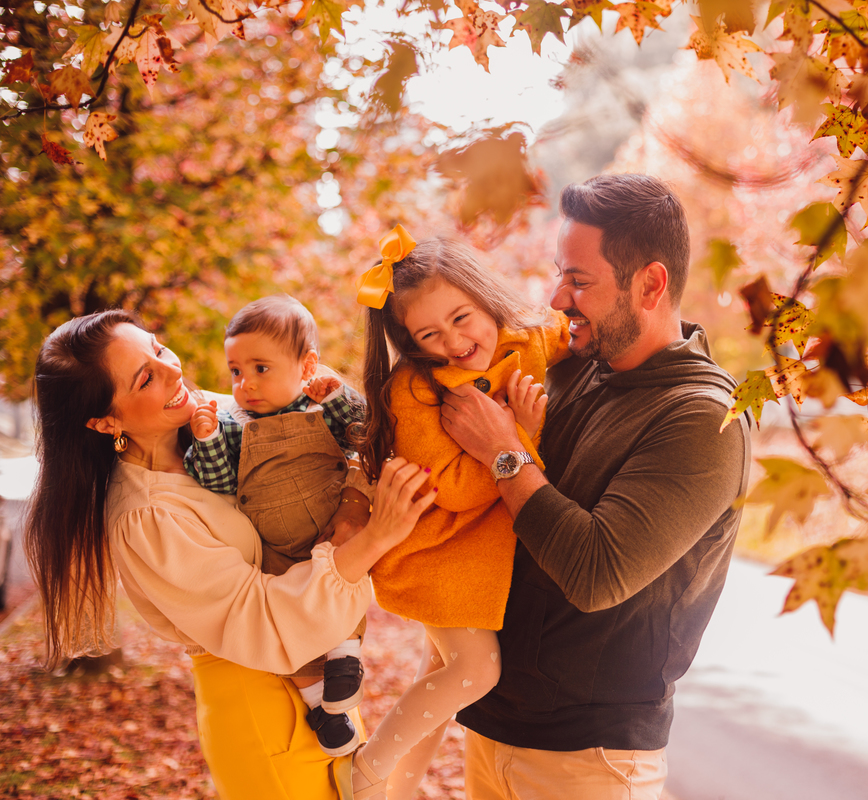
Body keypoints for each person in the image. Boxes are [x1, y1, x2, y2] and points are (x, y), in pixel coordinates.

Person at [24, 309, 437, 800]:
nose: (173, 369)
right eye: (145, 378)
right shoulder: (147, 517)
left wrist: (351, 495)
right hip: (262, 704)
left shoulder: (223, 416)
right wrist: (373, 537)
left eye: (157, 348)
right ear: (105, 420)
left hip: (327, 677)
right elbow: (260, 617)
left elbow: (335, 439)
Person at [439, 173, 752, 799]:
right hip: (492, 728)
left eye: (580, 281)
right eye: (560, 274)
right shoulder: (576, 367)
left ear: (651, 284)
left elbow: (596, 571)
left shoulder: (702, 419)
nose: (558, 298)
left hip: (592, 762)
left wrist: (504, 451)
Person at [346, 228, 571, 800]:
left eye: (462, 317)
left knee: (438, 675)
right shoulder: (416, 393)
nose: (454, 340)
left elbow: (573, 330)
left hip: (478, 559)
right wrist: (521, 433)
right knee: (476, 671)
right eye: (429, 334)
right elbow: (455, 491)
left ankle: (398, 791)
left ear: (483, 296)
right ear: (413, 346)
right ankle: (367, 769)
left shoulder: (529, 336)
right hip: (438, 552)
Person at [185, 294, 374, 757]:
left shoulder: (321, 409)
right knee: (288, 632)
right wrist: (207, 439)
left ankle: (346, 659)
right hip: (271, 548)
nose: (245, 383)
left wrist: (336, 392)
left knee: (346, 583)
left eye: (261, 368)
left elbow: (364, 432)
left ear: (306, 366)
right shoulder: (234, 425)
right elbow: (217, 479)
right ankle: (320, 709)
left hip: (330, 531)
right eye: (235, 371)